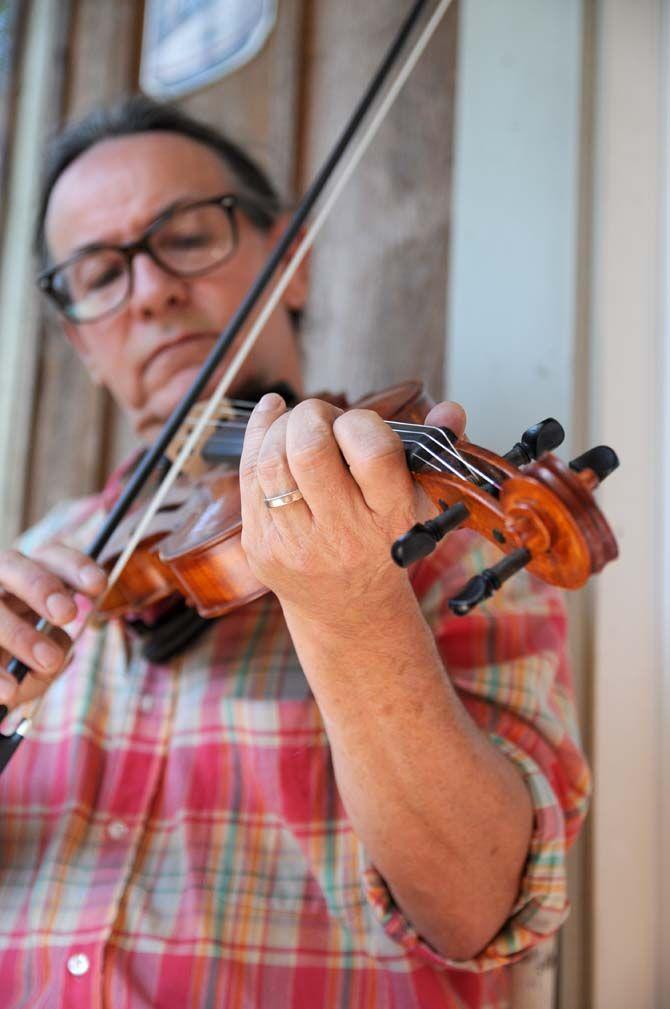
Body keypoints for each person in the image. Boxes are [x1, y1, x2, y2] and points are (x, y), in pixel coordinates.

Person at [0, 97, 589, 1009]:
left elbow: (477, 910)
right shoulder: (33, 563)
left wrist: (353, 612)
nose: (150, 289)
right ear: (80, 339)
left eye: (187, 235)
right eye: (99, 273)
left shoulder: (425, 520)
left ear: (294, 262)